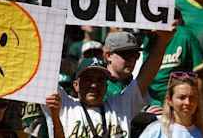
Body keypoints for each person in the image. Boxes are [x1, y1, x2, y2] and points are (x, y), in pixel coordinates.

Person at [43, 28, 174, 137]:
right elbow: (43, 70)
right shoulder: (64, 106)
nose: (94, 85)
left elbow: (147, 75)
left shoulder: (120, 107)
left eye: (100, 80)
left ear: (106, 86)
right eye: (88, 79)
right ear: (76, 85)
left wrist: (162, 41)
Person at [148, 8, 203, 107]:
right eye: (167, 17)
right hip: (149, 103)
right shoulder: (147, 39)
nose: (173, 20)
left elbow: (201, 74)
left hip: (178, 104)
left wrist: (198, 105)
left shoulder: (185, 35)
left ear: (181, 20)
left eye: (175, 16)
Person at [140, 73, 203, 138]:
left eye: (192, 98)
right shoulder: (155, 131)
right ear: (169, 100)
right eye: (182, 97)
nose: (187, 102)